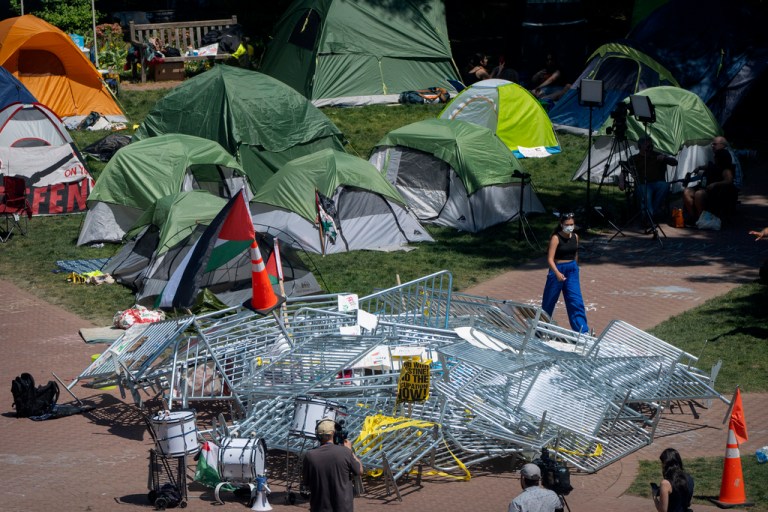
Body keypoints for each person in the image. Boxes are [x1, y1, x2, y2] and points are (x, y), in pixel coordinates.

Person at [541, 212, 589, 333]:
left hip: (572, 269)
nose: (570, 226)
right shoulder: (556, 238)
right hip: (557, 269)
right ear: (561, 224)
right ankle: (540, 330)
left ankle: (582, 331)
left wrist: (576, 268)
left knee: (575, 300)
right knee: (549, 301)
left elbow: (575, 254)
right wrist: (557, 273)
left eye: (572, 224)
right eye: (567, 224)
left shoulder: (575, 237)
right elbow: (550, 259)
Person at [302, 418, 363, 512]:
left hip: (319, 508)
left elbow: (306, 482)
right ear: (333, 434)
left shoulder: (309, 455)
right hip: (343, 508)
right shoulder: (345, 452)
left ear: (318, 436)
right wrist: (350, 450)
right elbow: (359, 471)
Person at [682, 138, 738, 223]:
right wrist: (700, 167)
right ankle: (694, 217)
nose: (712, 146)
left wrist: (715, 184)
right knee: (687, 191)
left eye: (714, 144)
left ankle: (702, 219)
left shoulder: (726, 162)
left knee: (699, 194)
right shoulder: (717, 159)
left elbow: (729, 180)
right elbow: (711, 165)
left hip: (716, 191)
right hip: (705, 187)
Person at [630, 136, 678, 225]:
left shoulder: (656, 155)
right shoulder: (635, 158)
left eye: (649, 143)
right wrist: (621, 179)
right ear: (640, 146)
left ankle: (650, 214)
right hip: (642, 184)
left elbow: (675, 162)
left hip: (657, 183)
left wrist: (664, 158)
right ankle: (651, 215)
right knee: (647, 193)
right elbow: (624, 168)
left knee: (665, 185)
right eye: (645, 144)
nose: (648, 145)